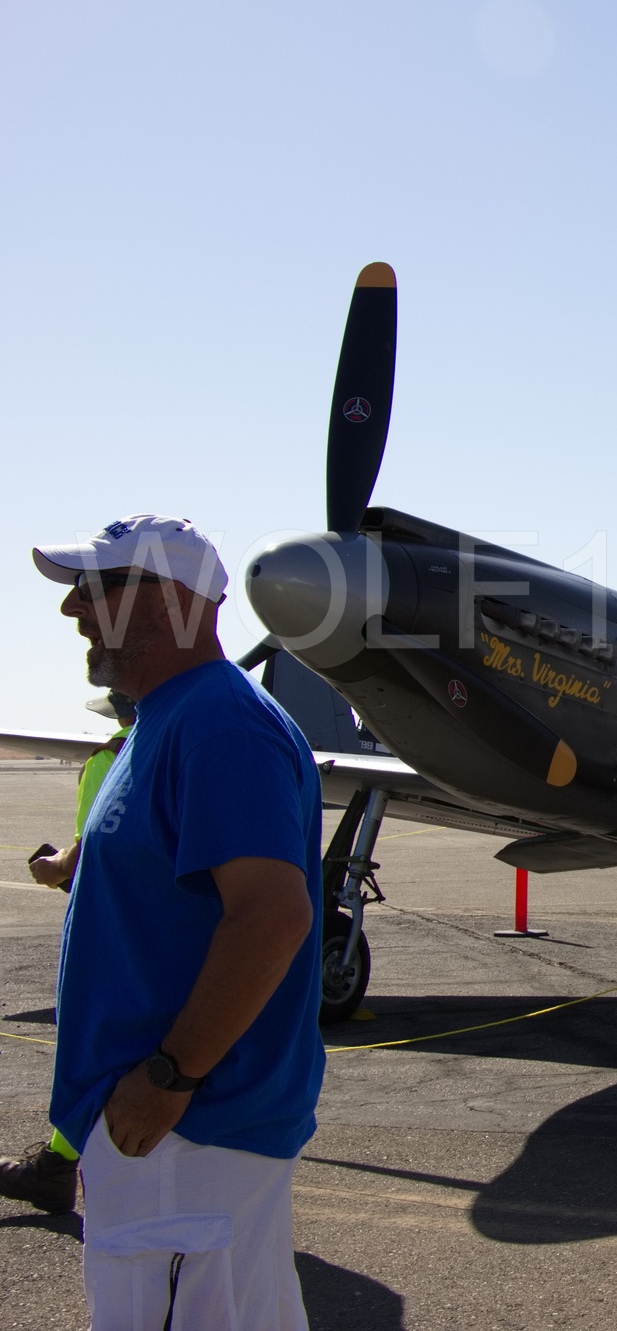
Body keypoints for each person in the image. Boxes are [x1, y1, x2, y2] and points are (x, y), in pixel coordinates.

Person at [28, 515, 324, 1329]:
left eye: (95, 589)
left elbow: (271, 915)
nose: (74, 611)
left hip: (185, 1140)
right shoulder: (166, 718)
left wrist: (166, 1077)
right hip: (170, 1145)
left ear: (172, 600)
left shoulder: (221, 723)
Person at [0, 691, 137, 1215]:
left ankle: (57, 1172)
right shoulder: (176, 747)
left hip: (112, 931)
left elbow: (92, 852)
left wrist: (52, 868)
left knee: (92, 1048)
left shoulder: (111, 757)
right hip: (167, 928)